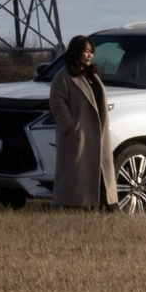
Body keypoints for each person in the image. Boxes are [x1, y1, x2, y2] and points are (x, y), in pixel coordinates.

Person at [49, 34, 117, 209]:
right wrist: (72, 126)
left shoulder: (92, 76)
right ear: (76, 52)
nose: (89, 55)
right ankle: (75, 205)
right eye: (86, 51)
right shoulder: (63, 76)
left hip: (97, 134)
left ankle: (104, 203)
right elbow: (57, 103)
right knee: (77, 176)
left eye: (92, 52)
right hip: (77, 136)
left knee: (101, 171)